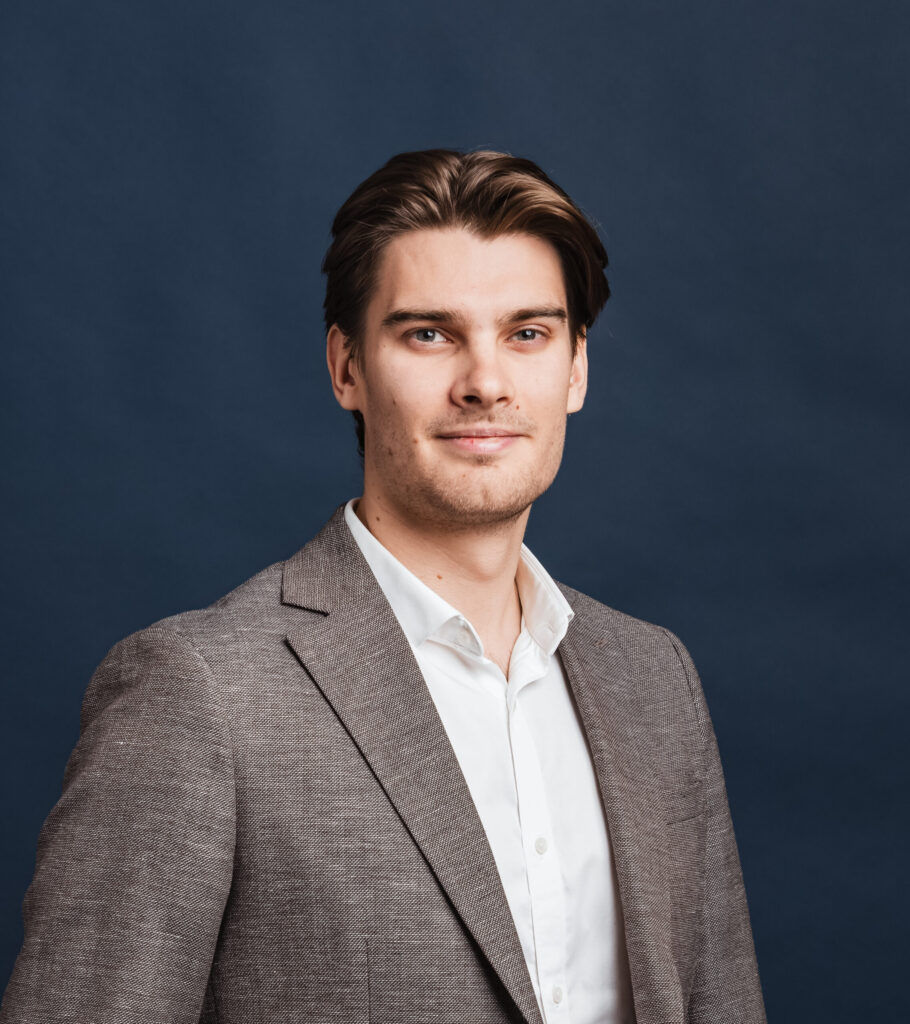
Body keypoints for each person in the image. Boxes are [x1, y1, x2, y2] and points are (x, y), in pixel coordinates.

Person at [1, 148, 766, 1024]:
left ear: (576, 369)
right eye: (429, 334)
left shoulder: (655, 681)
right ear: (347, 368)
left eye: (527, 333)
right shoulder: (201, 694)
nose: (485, 383)